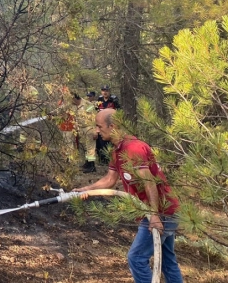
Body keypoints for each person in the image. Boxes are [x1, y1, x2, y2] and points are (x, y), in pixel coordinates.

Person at [74, 109, 183, 283]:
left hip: (161, 212)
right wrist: (87, 188)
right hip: (160, 211)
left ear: (113, 126)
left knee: (136, 258)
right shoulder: (117, 150)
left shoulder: (133, 148)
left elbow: (149, 182)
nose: (96, 131)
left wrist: (154, 216)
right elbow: (109, 180)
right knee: (168, 261)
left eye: (99, 126)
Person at [95, 85, 121, 164]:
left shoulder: (113, 100)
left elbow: (119, 111)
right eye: (103, 90)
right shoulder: (99, 100)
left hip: (110, 125)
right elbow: (94, 111)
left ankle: (111, 160)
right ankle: (102, 160)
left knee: (110, 142)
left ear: (109, 91)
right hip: (101, 124)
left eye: (106, 91)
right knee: (100, 143)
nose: (105, 92)